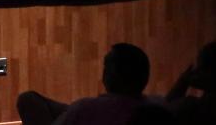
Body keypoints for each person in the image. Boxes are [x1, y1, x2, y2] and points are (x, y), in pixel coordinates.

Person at [16, 42, 164, 125]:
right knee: (29, 99)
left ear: (110, 75)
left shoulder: (85, 109)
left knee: (27, 100)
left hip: (91, 114)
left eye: (106, 66)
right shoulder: (156, 105)